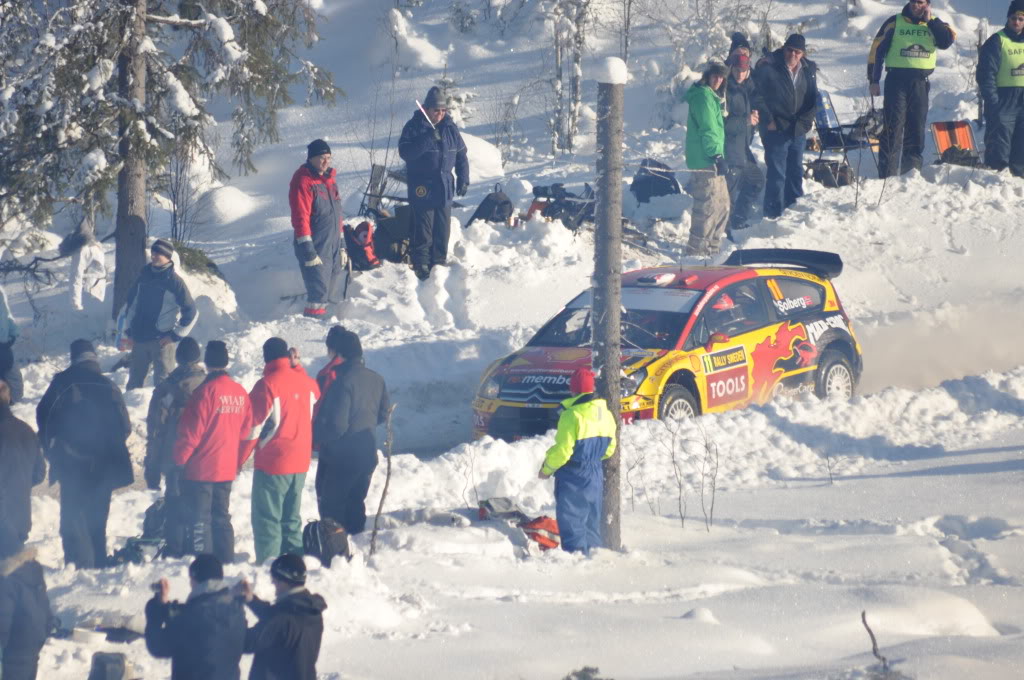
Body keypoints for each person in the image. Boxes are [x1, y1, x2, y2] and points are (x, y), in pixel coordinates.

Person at [36, 339, 133, 569]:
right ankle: (98, 564)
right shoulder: (107, 385)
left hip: (72, 464)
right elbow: (125, 426)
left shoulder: (62, 383)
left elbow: (44, 415)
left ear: (73, 357)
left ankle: (76, 566)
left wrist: (52, 449)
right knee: (97, 520)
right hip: (104, 466)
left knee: (72, 519)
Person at [174, 340, 253, 564]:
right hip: (227, 467)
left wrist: (179, 460)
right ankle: (226, 561)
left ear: (206, 363)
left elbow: (191, 432)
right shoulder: (239, 392)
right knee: (222, 517)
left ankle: (204, 564)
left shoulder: (204, 392)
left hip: (202, 469)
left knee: (201, 520)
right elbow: (246, 429)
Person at [246, 338, 321, 564]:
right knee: (291, 518)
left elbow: (252, 428)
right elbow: (315, 392)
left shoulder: (267, 385)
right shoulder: (306, 383)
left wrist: (238, 458)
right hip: (300, 461)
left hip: (273, 462)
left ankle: (269, 568)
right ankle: (295, 564)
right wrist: (297, 366)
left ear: (266, 357)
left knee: (267, 519)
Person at [312, 329, 389, 535]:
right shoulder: (376, 378)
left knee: (332, 511)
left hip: (341, 457)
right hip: (367, 454)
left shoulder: (342, 381)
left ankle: (334, 554)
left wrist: (315, 438)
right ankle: (358, 546)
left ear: (339, 353)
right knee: (355, 504)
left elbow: (337, 425)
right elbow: (383, 414)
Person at [868, 1, 956, 177]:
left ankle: (911, 174)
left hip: (920, 83)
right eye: (915, 2)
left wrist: (930, 21)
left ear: (927, 4)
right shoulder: (895, 21)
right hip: (896, 81)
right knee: (893, 127)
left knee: (916, 128)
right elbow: (877, 50)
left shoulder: (936, 23)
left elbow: (947, 41)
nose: (918, 6)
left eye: (922, 2)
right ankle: (887, 175)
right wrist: (874, 79)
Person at [537, 367, 616, 555]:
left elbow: (563, 451)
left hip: (573, 474)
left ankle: (577, 564)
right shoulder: (607, 414)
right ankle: (595, 558)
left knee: (572, 523)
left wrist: (546, 469)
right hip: (595, 473)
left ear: (573, 389)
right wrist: (592, 459)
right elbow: (610, 450)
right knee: (591, 523)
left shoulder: (571, 415)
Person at [398, 86, 470, 280]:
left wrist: (464, 177)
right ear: (426, 109)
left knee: (442, 228)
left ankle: (438, 262)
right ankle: (421, 264)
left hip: (444, 185)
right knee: (424, 228)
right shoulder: (414, 127)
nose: (440, 114)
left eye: (443, 110)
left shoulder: (450, 128)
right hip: (422, 186)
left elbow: (462, 155)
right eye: (436, 110)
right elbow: (406, 153)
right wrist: (428, 139)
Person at [145, 336, 207, 557]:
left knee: (175, 506)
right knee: (200, 508)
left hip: (174, 456)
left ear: (178, 358)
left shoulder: (166, 389)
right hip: (204, 457)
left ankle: (176, 554)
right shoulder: (210, 386)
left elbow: (155, 430)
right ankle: (199, 550)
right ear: (198, 358)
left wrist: (151, 468)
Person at [144, 554, 247, 680]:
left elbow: (158, 646)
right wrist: (165, 604)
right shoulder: (237, 611)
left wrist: (154, 610)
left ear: (195, 579)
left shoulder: (191, 616)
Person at [118, 238, 198, 389]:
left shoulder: (174, 282)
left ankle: (162, 412)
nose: (153, 256)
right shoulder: (143, 277)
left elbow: (191, 311)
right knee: (133, 385)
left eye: (158, 253)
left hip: (161, 341)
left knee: (164, 385)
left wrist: (175, 335)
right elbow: (131, 305)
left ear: (168, 257)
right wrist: (128, 330)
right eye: (153, 252)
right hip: (139, 339)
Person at [753, 34, 819, 219]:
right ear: (784, 48)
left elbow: (813, 99)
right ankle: (772, 216)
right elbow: (757, 96)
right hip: (776, 130)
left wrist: (805, 123)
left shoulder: (808, 69)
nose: (793, 54)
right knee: (777, 176)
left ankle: (793, 215)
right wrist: (769, 120)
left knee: (795, 173)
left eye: (797, 52)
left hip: (797, 130)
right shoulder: (770, 67)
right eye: (790, 50)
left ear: (802, 54)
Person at [237, 554, 327, 680]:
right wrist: (252, 600)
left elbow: (247, 642)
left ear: (283, 581)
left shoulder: (282, 617)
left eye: (274, 579)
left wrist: (237, 613)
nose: (272, 581)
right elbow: (278, 624)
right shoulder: (311, 611)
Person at [288, 139, 345, 319]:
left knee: (330, 294)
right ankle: (312, 330)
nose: (326, 161)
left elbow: (337, 215)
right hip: (317, 247)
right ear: (311, 158)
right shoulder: (303, 181)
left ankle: (327, 327)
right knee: (318, 296)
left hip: (333, 246)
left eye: (328, 157)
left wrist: (342, 244)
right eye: (321, 157)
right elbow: (300, 217)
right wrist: (308, 249)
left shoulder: (329, 180)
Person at [684, 61, 731, 256]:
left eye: (721, 77)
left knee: (723, 206)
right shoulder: (703, 97)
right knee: (708, 207)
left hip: (711, 158)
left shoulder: (711, 97)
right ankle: (696, 252)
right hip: (706, 159)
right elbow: (708, 129)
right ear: (707, 76)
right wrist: (716, 155)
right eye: (715, 76)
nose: (718, 80)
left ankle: (712, 249)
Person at [723, 33, 766, 234]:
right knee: (728, 194)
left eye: (744, 69)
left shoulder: (745, 86)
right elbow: (722, 125)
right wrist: (745, 121)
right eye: (737, 69)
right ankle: (725, 230)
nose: (740, 73)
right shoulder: (726, 89)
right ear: (731, 66)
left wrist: (753, 121)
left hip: (742, 148)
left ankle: (738, 220)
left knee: (756, 180)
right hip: (729, 150)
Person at [0, 524, 53, 680]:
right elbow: (46, 614)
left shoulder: (6, 582)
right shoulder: (32, 571)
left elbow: (2, 622)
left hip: (11, 656)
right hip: (31, 650)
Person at [977, 1, 1024, 177]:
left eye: (1021, 18)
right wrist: (993, 102)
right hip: (1003, 101)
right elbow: (985, 74)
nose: (1017, 22)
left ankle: (1017, 189)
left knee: (1021, 151)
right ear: (1008, 18)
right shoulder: (997, 41)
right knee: (999, 148)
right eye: (1014, 18)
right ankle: (993, 185)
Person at [0, 380, 45, 545]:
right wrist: (19, 485)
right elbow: (39, 473)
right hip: (20, 520)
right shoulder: (26, 430)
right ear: (8, 399)